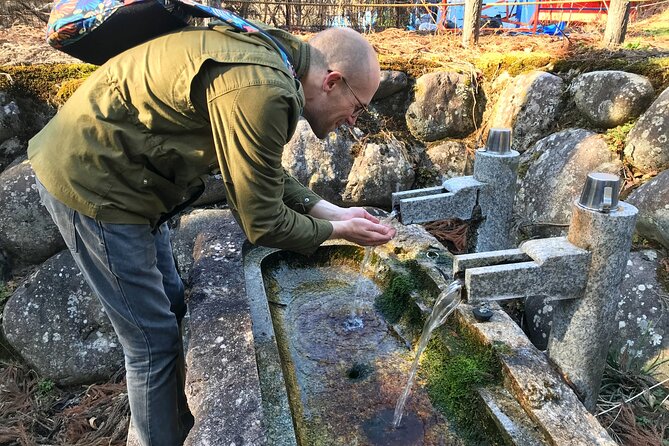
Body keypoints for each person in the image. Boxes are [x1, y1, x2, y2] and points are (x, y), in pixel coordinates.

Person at [28, 19, 395, 446]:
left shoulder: (273, 60)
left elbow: (259, 167)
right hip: (96, 180)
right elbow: (263, 223)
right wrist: (337, 231)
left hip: (135, 179)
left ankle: (175, 423)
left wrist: (332, 210)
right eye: (359, 106)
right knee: (151, 345)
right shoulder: (264, 88)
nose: (354, 120)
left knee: (172, 305)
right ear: (332, 81)